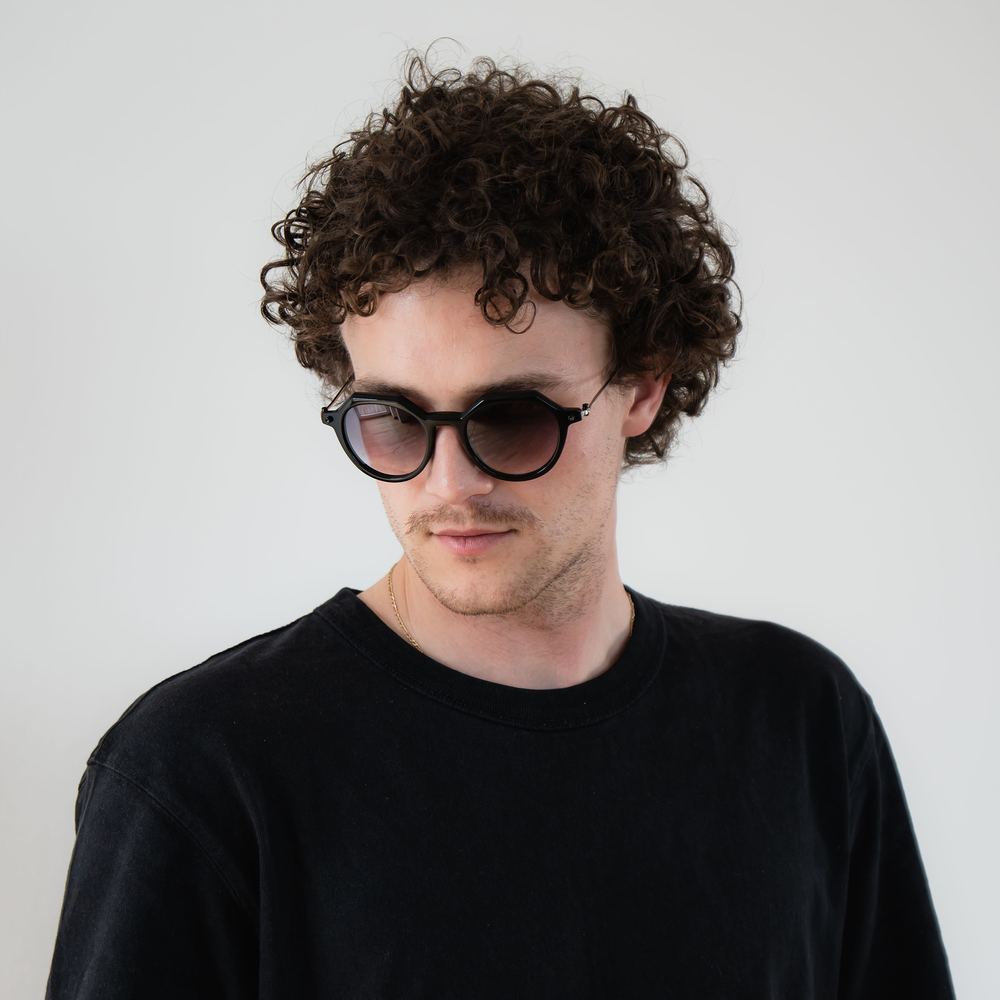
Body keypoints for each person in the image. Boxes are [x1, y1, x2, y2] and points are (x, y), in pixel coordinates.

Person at [46, 55, 955, 999]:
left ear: (643, 385)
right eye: (394, 418)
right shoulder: (202, 771)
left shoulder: (800, 720)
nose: (450, 483)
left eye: (513, 416)